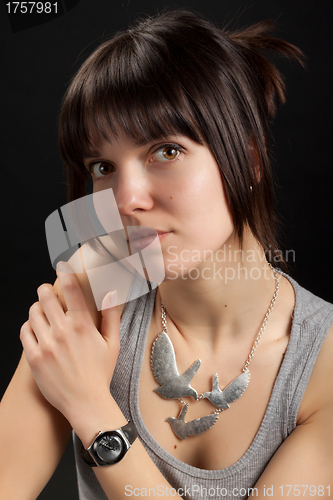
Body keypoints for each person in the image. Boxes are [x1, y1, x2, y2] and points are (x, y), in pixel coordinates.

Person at [1, 9, 333, 500]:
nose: (124, 199)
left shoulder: (321, 365)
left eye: (166, 151)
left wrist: (94, 411)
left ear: (249, 162)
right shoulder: (92, 300)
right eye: (102, 165)